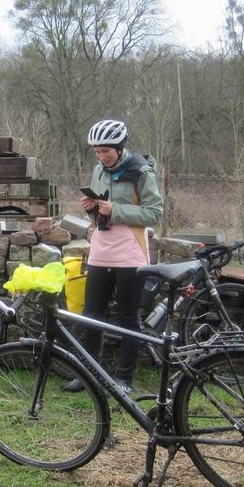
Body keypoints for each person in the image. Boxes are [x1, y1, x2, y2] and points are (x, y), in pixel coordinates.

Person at [63, 119, 163, 394]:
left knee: (128, 318)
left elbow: (154, 213)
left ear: (120, 148)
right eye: (96, 151)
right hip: (102, 248)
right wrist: (91, 208)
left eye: (105, 151)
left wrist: (114, 209)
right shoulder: (98, 170)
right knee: (92, 315)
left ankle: (124, 379)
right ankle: (87, 374)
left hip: (131, 251)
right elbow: (99, 211)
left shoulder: (141, 172)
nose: (101, 156)